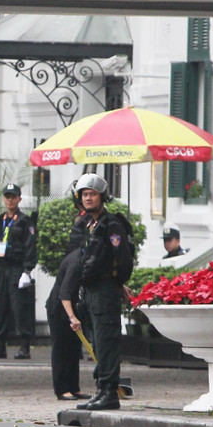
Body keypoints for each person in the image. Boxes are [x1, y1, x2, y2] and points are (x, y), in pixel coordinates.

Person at [70, 173, 132, 411]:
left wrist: (117, 283)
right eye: (85, 194)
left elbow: (122, 260)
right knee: (98, 342)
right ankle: (101, 390)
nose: (88, 198)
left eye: (92, 194)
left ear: (102, 196)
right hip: (91, 291)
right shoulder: (90, 224)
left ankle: (109, 392)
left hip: (105, 290)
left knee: (107, 342)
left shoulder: (112, 225)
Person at [0, 184, 37, 360]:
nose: (10, 200)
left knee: (19, 308)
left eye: (13, 197)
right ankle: (0, 347)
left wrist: (27, 270)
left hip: (16, 269)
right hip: (1, 269)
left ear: (19, 199)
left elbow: (30, 246)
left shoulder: (24, 221)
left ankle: (24, 347)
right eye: (7, 197)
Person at [46, 213, 90, 401]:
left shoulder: (86, 259)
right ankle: (62, 389)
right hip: (59, 309)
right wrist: (72, 317)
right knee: (61, 349)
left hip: (72, 307)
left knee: (74, 349)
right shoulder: (75, 261)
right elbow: (64, 294)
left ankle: (74, 387)